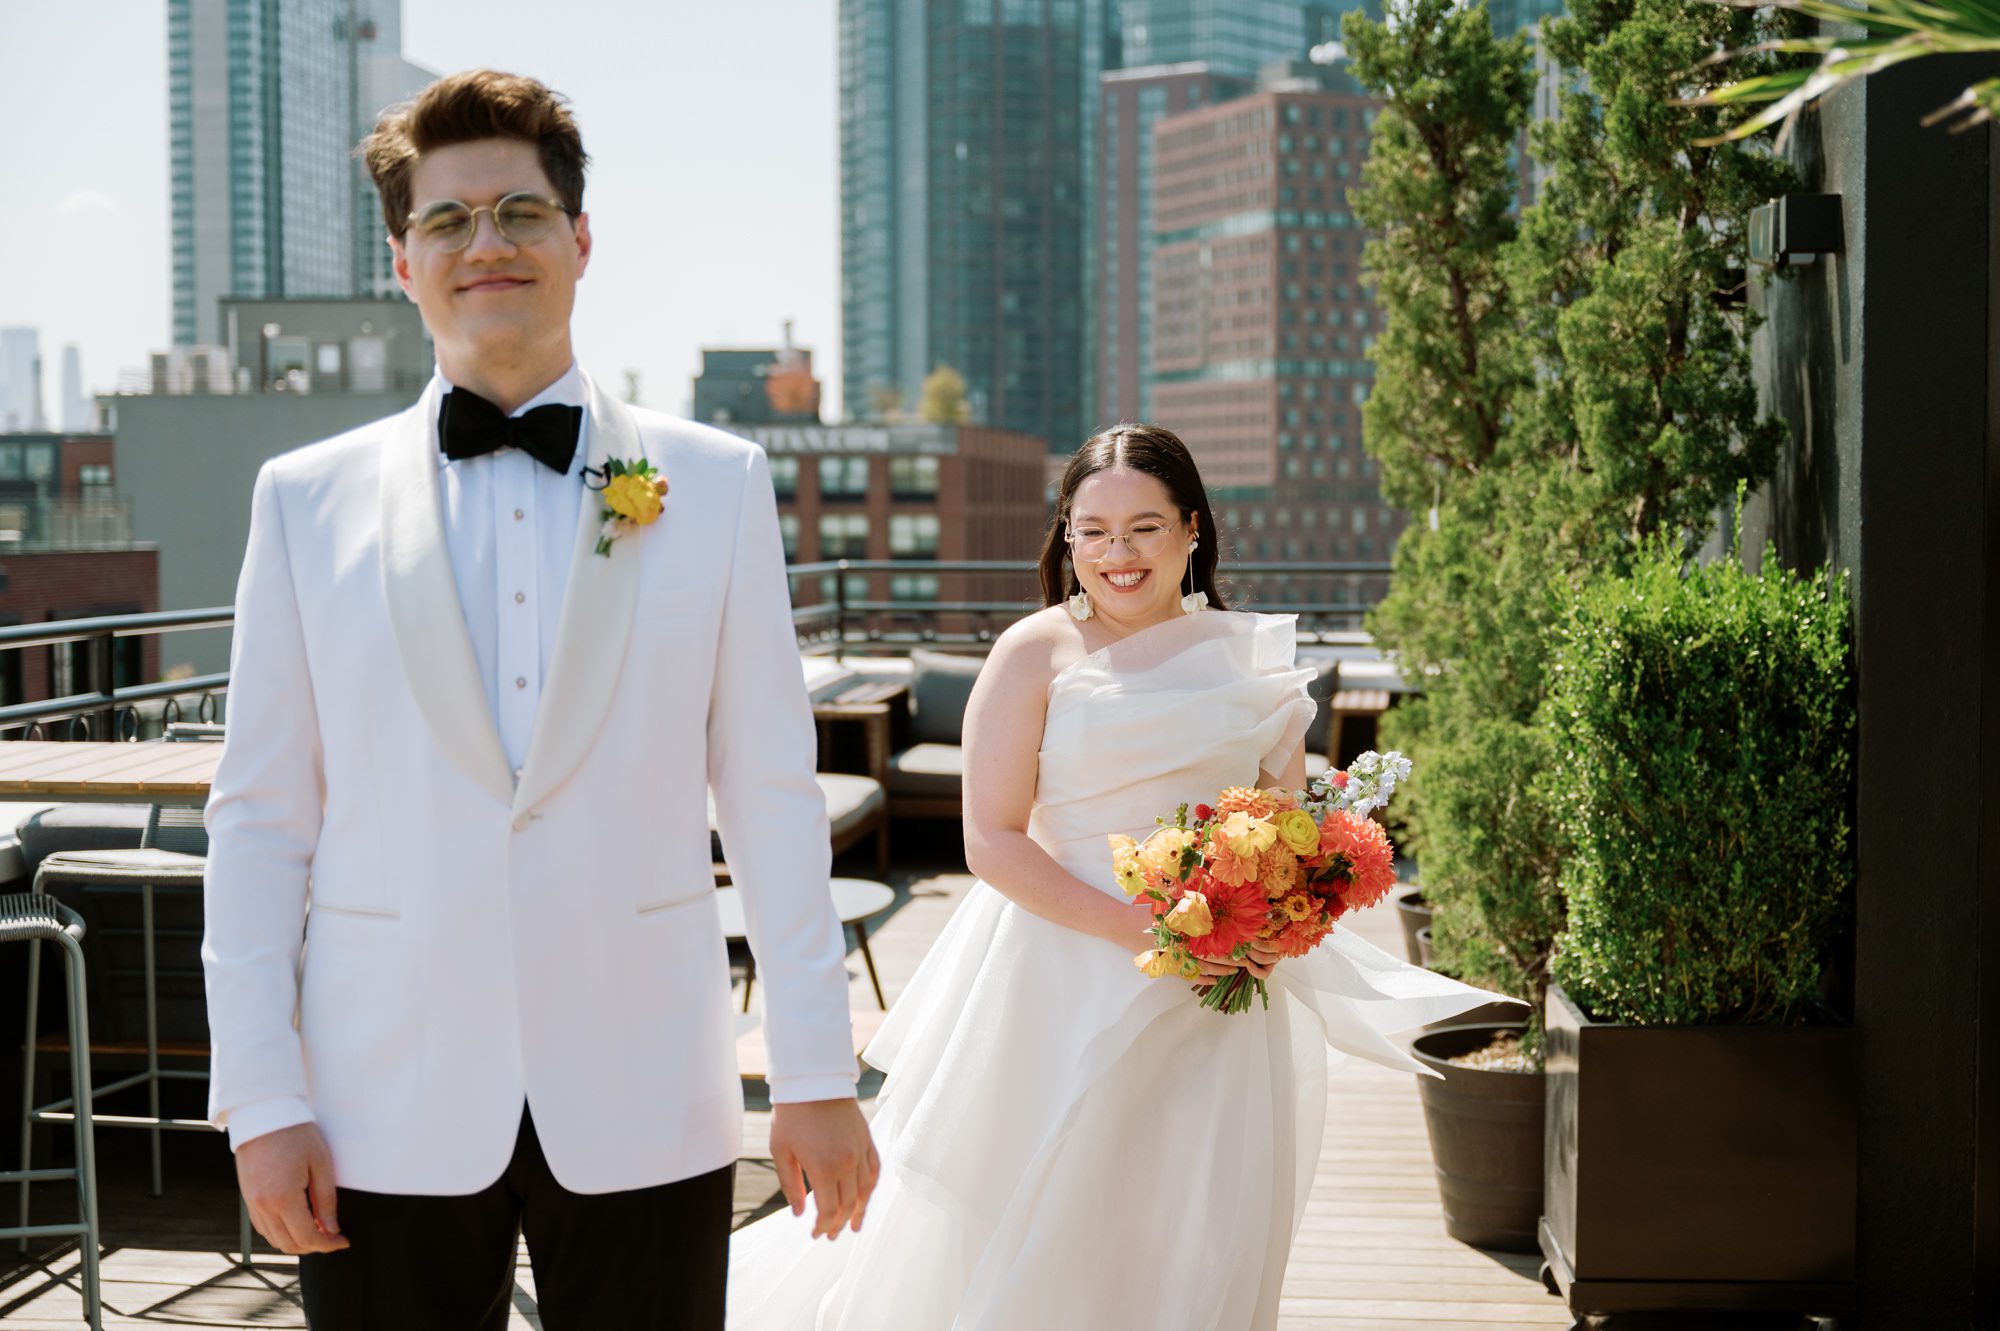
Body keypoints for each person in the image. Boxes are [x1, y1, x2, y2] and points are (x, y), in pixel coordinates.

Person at [200, 70, 876, 1330]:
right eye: (448, 221)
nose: (486, 243)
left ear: (579, 239)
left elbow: (774, 800)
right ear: (404, 262)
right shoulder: (301, 500)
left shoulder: (717, 484)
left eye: (518, 210)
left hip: (645, 1081)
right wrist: (262, 1094)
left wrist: (816, 1072)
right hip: (373, 1098)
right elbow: (260, 820)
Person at [726, 424, 1510, 1330]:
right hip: (1056, 972)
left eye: (1143, 527)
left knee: (1188, 1223)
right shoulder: (1032, 652)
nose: (1117, 554)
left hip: (1218, 994)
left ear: (1192, 529)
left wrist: (1265, 928)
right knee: (1027, 1213)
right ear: (1066, 538)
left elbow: (1284, 823)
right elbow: (990, 838)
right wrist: (1143, 933)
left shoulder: (1252, 655)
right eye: (1091, 530)